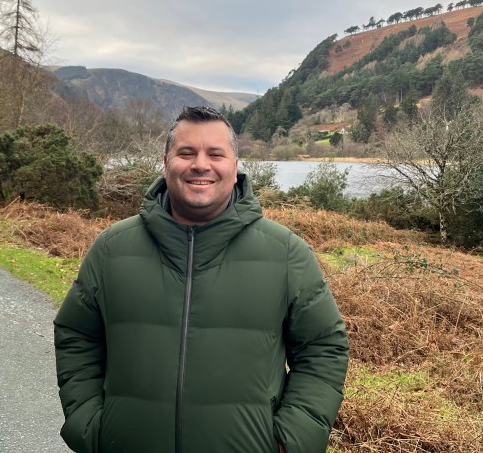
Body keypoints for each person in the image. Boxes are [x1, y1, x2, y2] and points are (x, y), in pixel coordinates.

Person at [54, 106, 349, 453]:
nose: (200, 165)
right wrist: (90, 425)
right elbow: (77, 334)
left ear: (235, 167)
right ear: (166, 163)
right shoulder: (111, 249)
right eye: (187, 152)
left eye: (215, 154)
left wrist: (292, 440)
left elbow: (323, 347)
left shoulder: (285, 253)